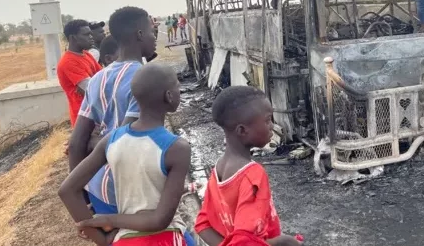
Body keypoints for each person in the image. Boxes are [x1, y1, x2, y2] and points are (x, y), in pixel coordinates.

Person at [59, 63, 191, 246]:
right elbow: (159, 220)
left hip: (124, 240)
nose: (180, 90)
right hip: (164, 239)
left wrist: (103, 239)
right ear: (169, 96)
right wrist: (109, 220)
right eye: (177, 86)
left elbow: (66, 190)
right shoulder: (177, 148)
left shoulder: (111, 140)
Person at [68, 6, 157, 217]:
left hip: (99, 188)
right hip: (133, 192)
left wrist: (81, 195)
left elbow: (76, 143)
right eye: (152, 32)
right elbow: (121, 141)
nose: (155, 38)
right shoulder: (145, 78)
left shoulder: (98, 79)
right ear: (140, 34)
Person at [194, 87, 302, 246]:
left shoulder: (219, 169)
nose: (272, 125)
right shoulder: (252, 175)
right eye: (267, 120)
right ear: (242, 130)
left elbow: (203, 225)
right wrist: (283, 242)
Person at [57, 19, 102, 127]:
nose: (91, 37)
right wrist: (95, 82)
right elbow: (92, 89)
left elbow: (103, 77)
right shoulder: (68, 62)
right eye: (86, 35)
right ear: (73, 38)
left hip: (96, 114)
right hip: (84, 120)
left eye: (91, 34)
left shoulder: (87, 55)